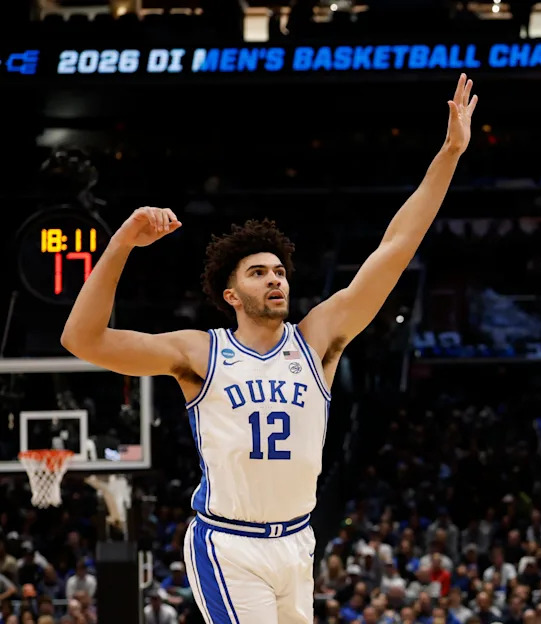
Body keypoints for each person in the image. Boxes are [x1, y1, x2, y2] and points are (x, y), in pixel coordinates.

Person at [60, 73, 479, 624]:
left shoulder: (318, 339)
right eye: (259, 273)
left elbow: (396, 245)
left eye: (279, 271)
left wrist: (449, 153)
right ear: (231, 294)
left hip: (297, 544)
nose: (275, 279)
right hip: (229, 546)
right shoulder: (201, 353)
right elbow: (82, 340)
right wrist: (120, 244)